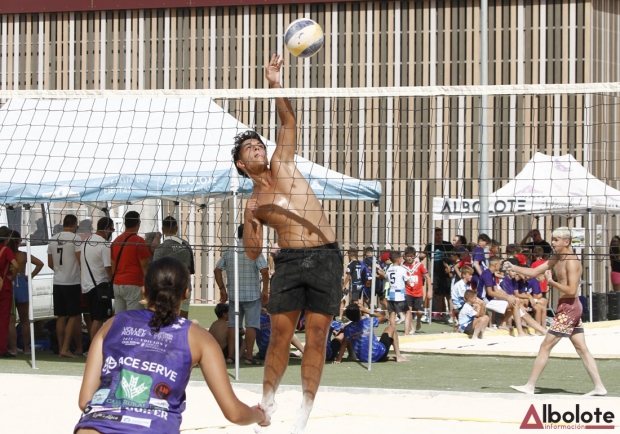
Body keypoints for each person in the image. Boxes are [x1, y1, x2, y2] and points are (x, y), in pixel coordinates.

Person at [233, 55, 344, 432]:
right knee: (280, 334)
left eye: (257, 144)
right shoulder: (253, 204)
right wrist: (250, 219)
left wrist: (275, 84)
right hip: (291, 261)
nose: (256, 148)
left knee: (317, 336)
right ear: (241, 165)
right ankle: (266, 403)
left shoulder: (281, 162)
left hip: (326, 255)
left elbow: (289, 121)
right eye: (249, 148)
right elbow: (252, 252)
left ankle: (304, 411)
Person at [74, 257, 269, 433]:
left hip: (94, 427)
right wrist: (259, 415)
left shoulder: (113, 323)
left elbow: (85, 401)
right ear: (185, 293)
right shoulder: (199, 338)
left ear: (144, 290)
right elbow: (233, 413)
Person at [506, 227, 607, 396]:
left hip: (570, 307)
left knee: (545, 345)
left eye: (556, 240)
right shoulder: (556, 257)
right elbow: (534, 272)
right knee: (581, 347)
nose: (552, 243)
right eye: (552, 239)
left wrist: (550, 282)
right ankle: (599, 387)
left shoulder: (572, 262)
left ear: (566, 242)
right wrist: (514, 267)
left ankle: (530, 385)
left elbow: (571, 290)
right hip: (566, 305)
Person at [214, 224, 269, 366]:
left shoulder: (229, 250)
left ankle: (231, 357)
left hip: (234, 296)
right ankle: (249, 356)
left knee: (233, 326)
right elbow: (264, 270)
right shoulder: (254, 251)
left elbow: (217, 270)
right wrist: (265, 289)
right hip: (252, 296)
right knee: (251, 326)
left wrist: (222, 289)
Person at [47, 214, 83, 358]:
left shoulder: (53, 238)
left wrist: (60, 271)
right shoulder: (76, 239)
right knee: (73, 315)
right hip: (71, 281)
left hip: (58, 281)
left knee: (61, 316)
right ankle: (66, 348)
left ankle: (61, 347)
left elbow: (50, 263)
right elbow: (80, 260)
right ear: (75, 224)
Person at [333, 303, 409, 363]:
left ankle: (352, 355)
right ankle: (398, 356)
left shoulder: (348, 328)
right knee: (391, 328)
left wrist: (339, 359)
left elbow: (344, 344)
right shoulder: (368, 321)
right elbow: (384, 318)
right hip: (379, 354)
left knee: (348, 338)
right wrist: (367, 311)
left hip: (364, 359)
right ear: (360, 313)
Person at [153, 216, 195, 318]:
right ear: (176, 228)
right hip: (184, 286)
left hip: (167, 290)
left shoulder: (161, 248)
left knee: (166, 320)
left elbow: (155, 271)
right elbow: (191, 269)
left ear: (163, 230)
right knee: (183, 321)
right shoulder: (186, 245)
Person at [9, 231, 44, 354]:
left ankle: (13, 348)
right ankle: (26, 348)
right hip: (22, 283)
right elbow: (40, 263)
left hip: (10, 283)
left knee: (11, 321)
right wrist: (30, 276)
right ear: (19, 242)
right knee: (25, 320)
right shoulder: (23, 255)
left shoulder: (7, 254)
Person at [80, 218, 115, 339]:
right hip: (99, 286)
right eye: (112, 229)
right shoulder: (104, 245)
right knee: (99, 319)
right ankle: (94, 347)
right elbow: (108, 268)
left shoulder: (86, 241)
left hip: (86, 286)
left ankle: (96, 344)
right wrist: (113, 283)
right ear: (107, 229)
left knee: (95, 317)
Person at [111, 211, 151, 312]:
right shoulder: (139, 241)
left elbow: (112, 265)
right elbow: (145, 265)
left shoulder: (116, 241)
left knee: (120, 318)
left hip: (117, 283)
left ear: (125, 223)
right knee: (134, 319)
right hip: (133, 284)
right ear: (138, 223)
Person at [422, 228, 455, 321]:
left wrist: (450, 266)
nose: (439, 236)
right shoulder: (430, 246)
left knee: (448, 295)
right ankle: (427, 313)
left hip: (445, 274)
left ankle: (450, 315)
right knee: (432, 294)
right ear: (433, 236)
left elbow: (454, 256)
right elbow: (422, 255)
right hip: (435, 274)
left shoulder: (447, 245)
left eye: (440, 234)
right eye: (437, 235)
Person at [0, 227, 19, 358]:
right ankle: (2, 348)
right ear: (7, 239)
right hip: (4, 286)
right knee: (4, 319)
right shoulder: (6, 250)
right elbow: (16, 265)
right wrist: (12, 276)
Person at [402, 247, 430, 335]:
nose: (410, 258)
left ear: (414, 256)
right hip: (408, 292)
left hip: (418, 293)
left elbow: (428, 278)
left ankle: (418, 320)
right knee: (408, 311)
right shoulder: (403, 267)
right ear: (405, 256)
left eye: (412, 256)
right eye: (408, 256)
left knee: (419, 311)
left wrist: (429, 290)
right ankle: (412, 327)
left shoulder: (420, 265)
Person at [384, 251, 411, 329]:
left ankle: (393, 331)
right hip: (399, 294)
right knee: (407, 312)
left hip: (391, 294)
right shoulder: (401, 269)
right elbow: (408, 282)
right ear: (398, 259)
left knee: (392, 313)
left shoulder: (389, 270)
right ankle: (407, 332)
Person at [363, 246, 387, 311]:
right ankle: (394, 313)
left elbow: (365, 269)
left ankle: (373, 311)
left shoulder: (366, 260)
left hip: (371, 282)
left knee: (367, 298)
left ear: (367, 253)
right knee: (382, 300)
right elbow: (382, 269)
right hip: (380, 282)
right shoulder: (378, 261)